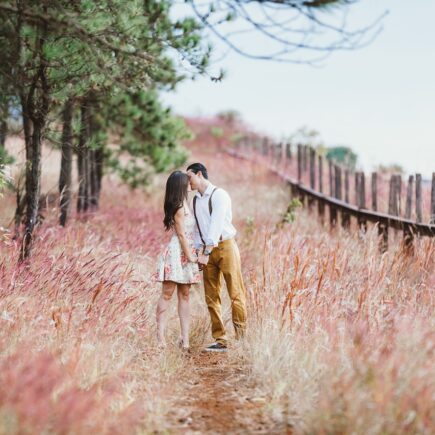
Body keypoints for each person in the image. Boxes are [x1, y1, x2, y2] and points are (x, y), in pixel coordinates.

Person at [187, 162, 247, 352]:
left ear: (199, 174)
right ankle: (221, 339)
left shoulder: (219, 195)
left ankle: (241, 338)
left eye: (189, 177)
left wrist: (205, 252)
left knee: (235, 292)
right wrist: (198, 252)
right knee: (211, 296)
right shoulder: (195, 200)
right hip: (206, 250)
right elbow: (197, 229)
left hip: (225, 246)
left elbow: (215, 225)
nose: (187, 182)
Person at [154, 171, 201, 350]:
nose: (189, 183)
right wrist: (190, 256)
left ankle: (185, 339)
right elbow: (181, 234)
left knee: (185, 295)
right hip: (177, 252)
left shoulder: (186, 204)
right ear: (180, 185)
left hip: (187, 250)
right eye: (186, 181)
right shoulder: (179, 206)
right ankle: (160, 338)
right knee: (167, 294)